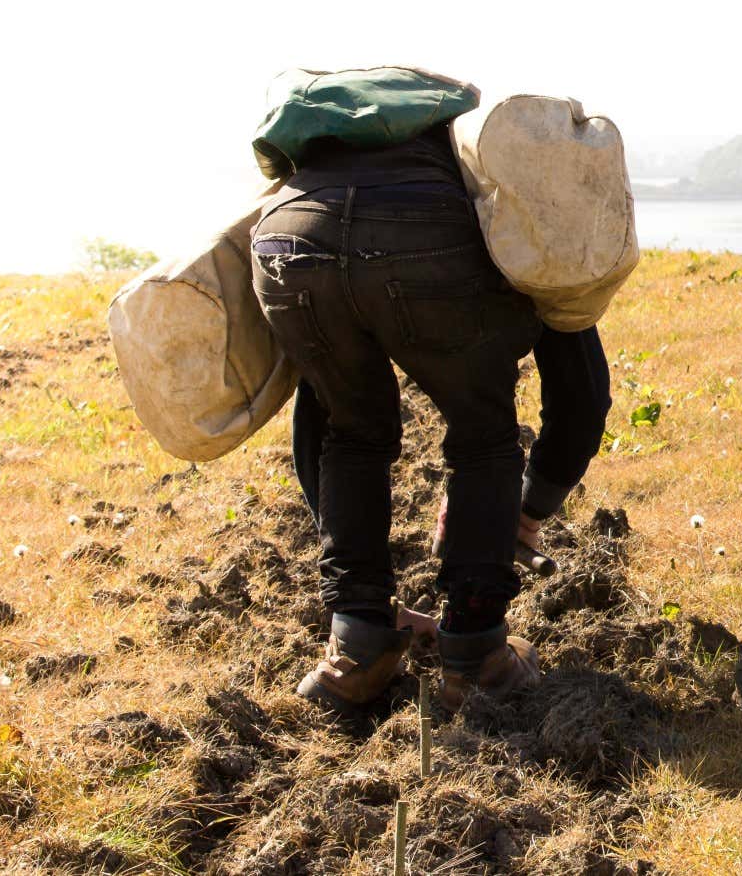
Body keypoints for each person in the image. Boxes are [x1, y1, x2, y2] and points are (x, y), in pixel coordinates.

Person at [252, 114, 611, 711]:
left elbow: (315, 419)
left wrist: (354, 588)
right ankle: (476, 659)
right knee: (482, 437)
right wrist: (528, 507)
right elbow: (582, 394)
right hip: (424, 231)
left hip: (290, 232)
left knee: (350, 430)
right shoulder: (525, 207)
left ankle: (355, 650)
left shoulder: (325, 152)